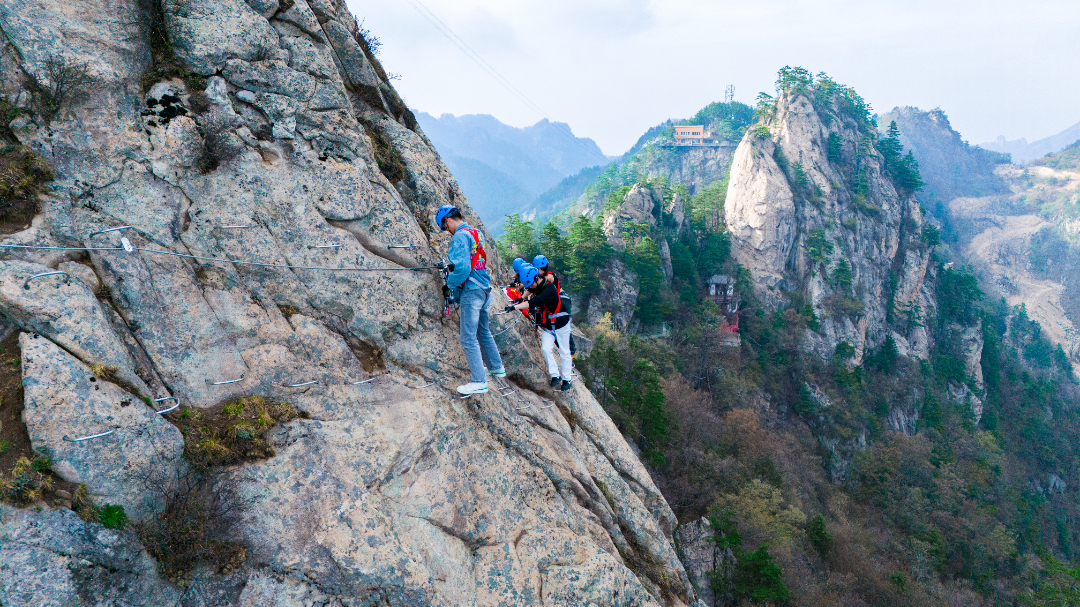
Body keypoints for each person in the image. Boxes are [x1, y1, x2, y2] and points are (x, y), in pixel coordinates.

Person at [436, 204, 506, 394]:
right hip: (484, 288)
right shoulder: (476, 233)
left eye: (445, 227)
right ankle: (496, 367)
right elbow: (474, 259)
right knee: (483, 331)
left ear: (447, 220)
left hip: (472, 292)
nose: (447, 231)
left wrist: (449, 283)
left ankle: (479, 381)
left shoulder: (459, 236)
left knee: (468, 337)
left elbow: (463, 269)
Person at [507, 264, 573, 391]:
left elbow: (533, 302)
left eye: (531, 285)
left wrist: (514, 307)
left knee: (564, 352)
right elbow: (530, 290)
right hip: (549, 326)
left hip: (561, 324)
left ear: (537, 279)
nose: (530, 287)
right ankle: (555, 375)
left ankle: (567, 379)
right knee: (545, 349)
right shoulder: (537, 284)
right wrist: (520, 298)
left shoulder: (548, 289)